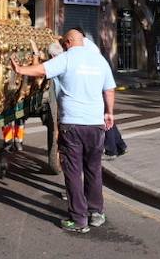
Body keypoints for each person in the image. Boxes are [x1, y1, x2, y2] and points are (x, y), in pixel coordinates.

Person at [13, 29, 116, 235]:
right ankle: (96, 212)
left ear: (69, 42)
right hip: (95, 125)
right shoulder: (99, 60)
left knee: (73, 172)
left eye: (64, 42)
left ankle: (79, 219)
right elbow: (109, 89)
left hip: (72, 125)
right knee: (94, 169)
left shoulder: (67, 59)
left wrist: (20, 69)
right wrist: (109, 113)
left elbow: (41, 70)